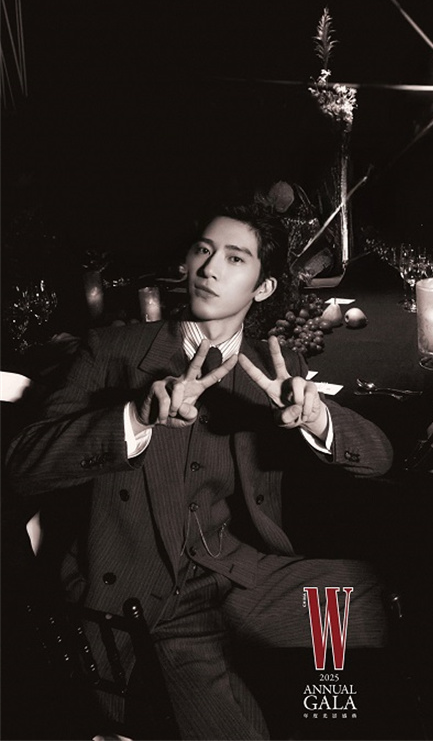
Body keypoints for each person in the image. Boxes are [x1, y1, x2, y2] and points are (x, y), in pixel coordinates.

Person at [5, 201, 394, 740]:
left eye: (235, 258)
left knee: (394, 601)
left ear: (263, 287)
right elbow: (21, 466)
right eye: (203, 250)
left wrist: (317, 416)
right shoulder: (113, 352)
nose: (210, 268)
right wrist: (135, 416)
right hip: (150, 599)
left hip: (243, 578)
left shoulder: (274, 369)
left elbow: (378, 460)